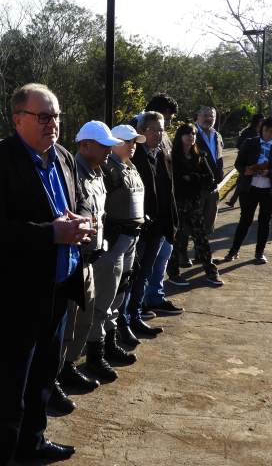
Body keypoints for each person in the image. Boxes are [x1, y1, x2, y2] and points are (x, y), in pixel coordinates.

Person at [0, 84, 93, 465]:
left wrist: (77, 221)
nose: (52, 124)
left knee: (42, 379)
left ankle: (32, 444)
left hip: (58, 288)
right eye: (44, 116)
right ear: (17, 118)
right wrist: (52, 233)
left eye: (56, 116)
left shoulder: (63, 159)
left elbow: (69, 205)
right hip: (15, 297)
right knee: (9, 388)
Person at [55, 121, 123, 397]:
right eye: (104, 146)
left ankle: (69, 366)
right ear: (85, 145)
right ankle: (54, 377)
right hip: (72, 259)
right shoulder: (72, 173)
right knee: (66, 323)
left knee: (84, 317)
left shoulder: (97, 173)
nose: (110, 151)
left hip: (90, 259)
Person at [88, 124, 160, 364]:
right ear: (113, 142)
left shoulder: (130, 167)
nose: (132, 146)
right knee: (104, 300)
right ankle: (97, 354)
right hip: (114, 242)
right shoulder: (107, 170)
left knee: (118, 295)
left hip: (131, 240)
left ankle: (111, 341)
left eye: (134, 142)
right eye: (127, 141)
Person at [124, 111, 182, 324]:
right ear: (140, 131)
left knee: (146, 273)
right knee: (131, 275)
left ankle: (136, 316)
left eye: (161, 129)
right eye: (153, 130)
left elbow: (170, 191)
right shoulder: (132, 157)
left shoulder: (163, 155)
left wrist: (172, 222)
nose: (158, 134)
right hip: (138, 228)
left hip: (159, 227)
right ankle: (124, 320)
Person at [218, 117, 272, 263]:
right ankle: (233, 251)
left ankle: (259, 253)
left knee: (264, 221)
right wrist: (245, 171)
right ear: (261, 129)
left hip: (269, 190)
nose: (268, 133)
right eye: (266, 130)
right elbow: (238, 163)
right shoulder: (250, 143)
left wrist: (268, 172)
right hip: (249, 188)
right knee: (245, 220)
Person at [165, 123, 224, 286]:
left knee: (201, 237)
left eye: (193, 134)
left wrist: (191, 177)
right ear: (180, 136)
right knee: (176, 239)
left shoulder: (199, 155)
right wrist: (197, 179)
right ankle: (174, 273)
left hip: (195, 202)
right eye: (187, 133)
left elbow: (209, 178)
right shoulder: (173, 157)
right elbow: (176, 181)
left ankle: (211, 272)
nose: (191, 136)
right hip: (179, 202)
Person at [226, 113, 264, 207]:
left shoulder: (265, 131)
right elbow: (239, 144)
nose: (263, 122)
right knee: (243, 179)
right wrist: (246, 151)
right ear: (257, 122)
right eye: (261, 120)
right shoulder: (247, 132)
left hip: (262, 160)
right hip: (248, 160)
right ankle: (233, 200)